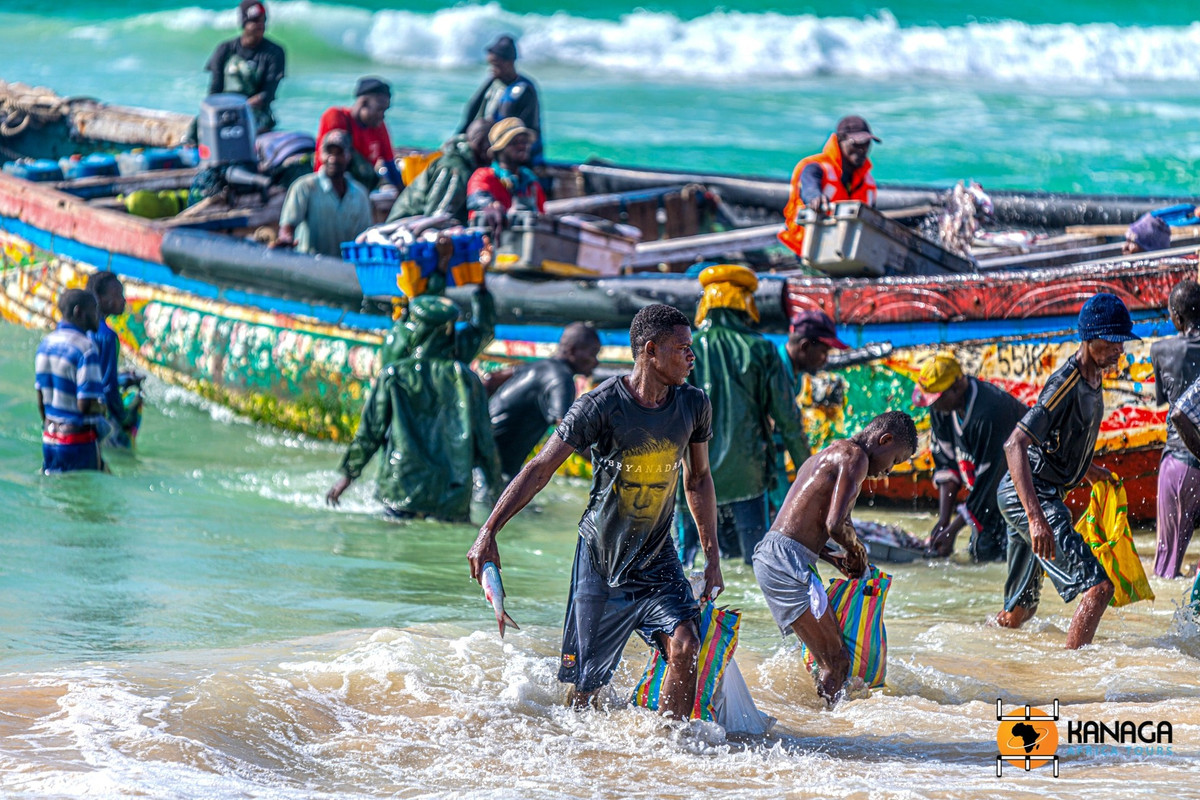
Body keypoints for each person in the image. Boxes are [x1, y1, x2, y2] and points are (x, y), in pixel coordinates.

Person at [467, 304, 723, 717]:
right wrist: (488, 531)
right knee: (585, 692)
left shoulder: (694, 404)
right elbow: (539, 468)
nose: (691, 356)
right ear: (651, 351)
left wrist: (712, 558)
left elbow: (699, 480)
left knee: (686, 645)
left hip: (658, 559)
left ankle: (672, 744)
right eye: (682, 348)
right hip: (601, 561)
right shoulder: (599, 405)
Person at [995, 293, 1138, 649]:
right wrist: (1036, 518)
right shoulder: (1066, 383)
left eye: (1122, 342)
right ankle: (1072, 674)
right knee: (1098, 588)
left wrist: (1089, 470)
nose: (1119, 350)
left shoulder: (1095, 377)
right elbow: (1015, 444)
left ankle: (984, 652)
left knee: (1020, 611)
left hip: (1034, 493)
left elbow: (1061, 439)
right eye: (1112, 341)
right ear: (1089, 338)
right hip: (1032, 495)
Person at [752, 411, 917, 703]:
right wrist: (857, 550)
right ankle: (832, 729)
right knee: (837, 662)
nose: (889, 472)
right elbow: (835, 525)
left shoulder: (831, 453)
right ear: (885, 440)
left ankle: (818, 716)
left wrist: (833, 558)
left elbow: (805, 527)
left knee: (829, 657)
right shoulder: (856, 458)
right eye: (894, 461)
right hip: (785, 562)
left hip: (780, 555)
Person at [676, 265, 812, 566]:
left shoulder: (684, 349)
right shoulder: (763, 350)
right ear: (746, 304)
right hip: (748, 476)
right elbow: (789, 422)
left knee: (684, 561)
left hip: (692, 474)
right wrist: (811, 477)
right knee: (756, 561)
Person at [325, 295, 500, 522]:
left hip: (400, 487)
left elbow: (370, 432)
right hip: (453, 495)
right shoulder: (468, 379)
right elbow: (485, 441)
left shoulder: (393, 375)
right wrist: (497, 491)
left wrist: (347, 477)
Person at [912, 352, 1027, 562]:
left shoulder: (990, 413)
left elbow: (990, 483)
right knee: (980, 552)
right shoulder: (941, 409)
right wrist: (944, 522)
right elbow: (946, 465)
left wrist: (954, 530)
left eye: (937, 399)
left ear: (957, 388)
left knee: (1001, 554)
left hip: (1020, 494)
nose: (933, 406)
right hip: (986, 497)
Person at [488, 323, 601, 484]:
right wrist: (607, 462)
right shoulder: (561, 379)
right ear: (572, 350)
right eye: (593, 354)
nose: (596, 362)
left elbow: (490, 380)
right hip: (490, 467)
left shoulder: (536, 366)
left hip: (480, 454)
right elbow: (568, 432)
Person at [1150, 279, 1200, 578]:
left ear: (1176, 318)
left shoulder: (1161, 350)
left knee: (1167, 569)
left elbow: (1167, 405)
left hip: (1181, 464)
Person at [778, 115, 880, 256]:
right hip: (803, 249)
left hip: (842, 254)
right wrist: (815, 197)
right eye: (856, 144)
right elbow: (809, 190)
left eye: (866, 144)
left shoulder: (868, 183)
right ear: (840, 140)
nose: (862, 149)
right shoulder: (815, 167)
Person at [35, 289, 106, 473]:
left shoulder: (45, 344)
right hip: (78, 440)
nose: (98, 316)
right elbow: (85, 405)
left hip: (49, 438)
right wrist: (103, 409)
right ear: (78, 312)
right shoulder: (86, 348)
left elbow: (41, 401)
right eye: (94, 309)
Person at [274, 130, 372, 257]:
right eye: (328, 152)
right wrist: (286, 239)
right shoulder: (304, 187)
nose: (333, 159)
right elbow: (287, 226)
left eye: (339, 153)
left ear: (349, 156)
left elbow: (365, 235)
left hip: (345, 265)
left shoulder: (360, 194)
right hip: (310, 263)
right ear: (320, 154)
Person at [386, 120, 492, 226]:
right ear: (483, 145)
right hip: (402, 228)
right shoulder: (455, 169)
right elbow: (437, 217)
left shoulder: (469, 164)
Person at [203, 0, 286, 134]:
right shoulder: (225, 49)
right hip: (223, 109)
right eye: (255, 21)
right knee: (198, 128)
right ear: (244, 22)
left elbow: (268, 94)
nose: (260, 25)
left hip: (256, 113)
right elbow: (215, 90)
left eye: (263, 20)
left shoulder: (274, 52)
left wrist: (241, 108)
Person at [458, 34, 543, 163]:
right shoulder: (493, 84)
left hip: (512, 154)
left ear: (509, 62)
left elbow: (526, 130)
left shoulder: (524, 89)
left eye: (496, 65)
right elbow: (472, 113)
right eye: (491, 65)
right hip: (487, 148)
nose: (492, 70)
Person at [85, 272, 143, 449]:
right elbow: (108, 387)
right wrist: (124, 416)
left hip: (78, 408)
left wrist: (122, 378)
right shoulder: (108, 336)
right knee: (136, 398)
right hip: (98, 414)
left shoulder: (82, 328)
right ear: (100, 299)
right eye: (118, 295)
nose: (123, 300)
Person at [315, 76, 403, 191]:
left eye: (385, 111)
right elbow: (332, 161)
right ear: (363, 103)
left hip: (359, 191)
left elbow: (390, 165)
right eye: (379, 109)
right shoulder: (336, 117)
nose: (382, 115)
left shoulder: (379, 126)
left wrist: (404, 194)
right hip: (329, 188)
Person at [467, 118, 545, 235]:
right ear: (500, 149)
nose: (522, 146)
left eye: (525, 142)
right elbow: (476, 198)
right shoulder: (484, 176)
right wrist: (489, 205)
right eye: (515, 142)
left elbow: (542, 215)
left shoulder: (531, 182)